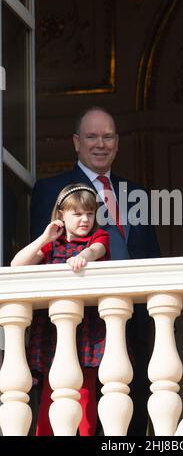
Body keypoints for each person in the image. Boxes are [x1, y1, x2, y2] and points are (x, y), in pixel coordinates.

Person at [30, 107, 161, 435]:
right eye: (91, 136)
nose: (100, 144)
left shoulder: (137, 194)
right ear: (77, 142)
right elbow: (43, 257)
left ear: (117, 143)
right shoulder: (50, 191)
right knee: (78, 418)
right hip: (77, 323)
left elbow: (150, 256)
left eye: (107, 136)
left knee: (131, 415)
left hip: (133, 321)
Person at [11, 183, 110, 435]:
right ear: (61, 216)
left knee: (85, 390)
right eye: (77, 214)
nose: (85, 219)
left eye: (89, 213)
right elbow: (17, 264)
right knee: (51, 388)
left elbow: (97, 249)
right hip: (53, 330)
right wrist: (45, 237)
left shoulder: (97, 238)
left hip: (87, 328)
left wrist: (83, 257)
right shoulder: (51, 245)